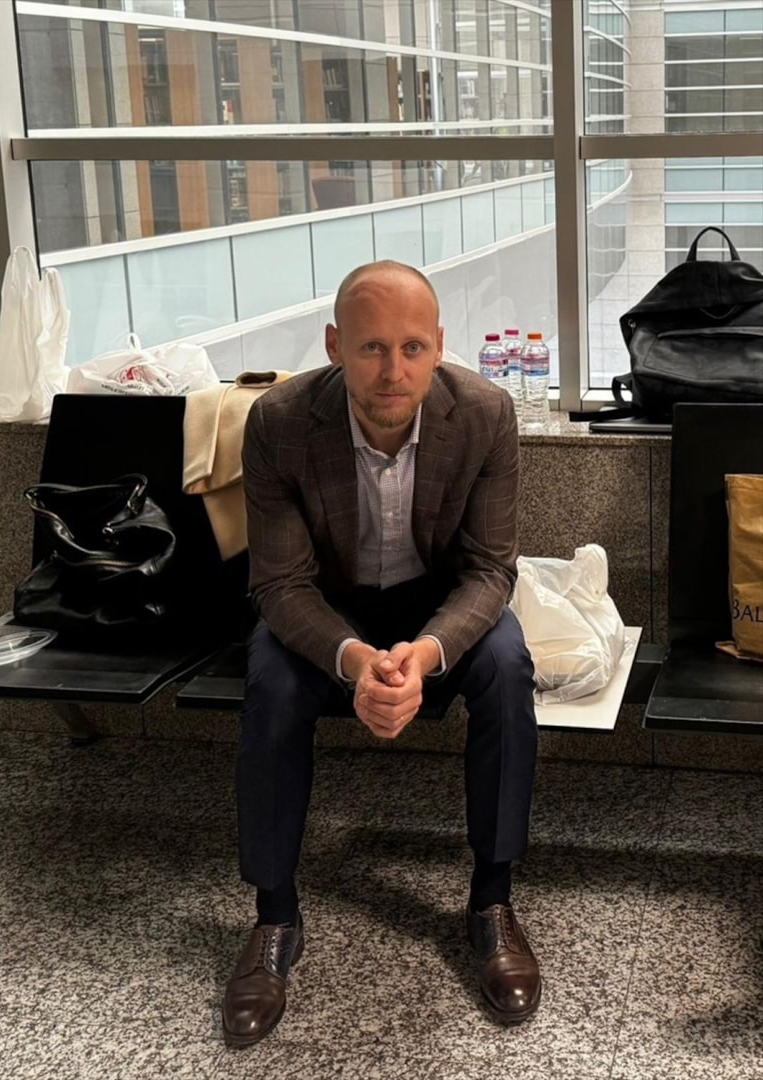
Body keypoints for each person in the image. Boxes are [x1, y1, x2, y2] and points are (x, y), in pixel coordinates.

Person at [223, 260, 540, 1048]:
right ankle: (273, 917)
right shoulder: (278, 422)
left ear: (438, 347)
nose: (393, 371)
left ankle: (492, 900)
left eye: (411, 348)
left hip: (440, 608)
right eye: (371, 348)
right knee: (270, 680)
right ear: (335, 346)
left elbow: (490, 572)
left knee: (507, 665)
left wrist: (423, 655)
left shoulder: (486, 414)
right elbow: (280, 584)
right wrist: (356, 660)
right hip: (326, 608)